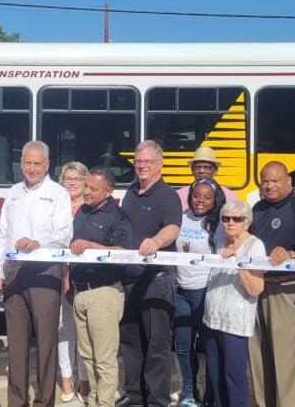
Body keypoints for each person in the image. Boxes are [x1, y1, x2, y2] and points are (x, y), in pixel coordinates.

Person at [0, 140, 72, 407]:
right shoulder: (14, 192)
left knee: (46, 343)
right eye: (28, 162)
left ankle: (44, 402)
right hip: (15, 273)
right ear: (21, 163)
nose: (32, 168)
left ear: (47, 165)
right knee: (16, 344)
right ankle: (17, 401)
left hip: (44, 272)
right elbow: (2, 235)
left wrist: (38, 241)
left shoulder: (58, 193)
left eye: (38, 163)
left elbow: (64, 234)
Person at [248, 161, 295, 407]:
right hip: (259, 289)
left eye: (275, 180)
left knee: (289, 361)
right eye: (264, 180)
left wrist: (291, 255)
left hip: (290, 292)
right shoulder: (257, 208)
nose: (269, 186)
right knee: (260, 360)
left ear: (288, 181)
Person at [117, 140, 182, 407]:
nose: (141, 166)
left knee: (156, 346)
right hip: (129, 280)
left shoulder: (168, 195)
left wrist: (156, 241)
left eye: (147, 161)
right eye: (138, 161)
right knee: (130, 342)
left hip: (156, 280)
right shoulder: (131, 192)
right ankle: (134, 395)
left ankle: (157, 400)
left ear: (159, 164)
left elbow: (173, 228)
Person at [69, 166, 131, 407]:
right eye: (86, 186)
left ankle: (104, 403)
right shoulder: (81, 212)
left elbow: (123, 252)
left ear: (109, 191)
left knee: (104, 359)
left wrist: (91, 245)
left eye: (93, 189)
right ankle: (93, 401)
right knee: (87, 357)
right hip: (79, 291)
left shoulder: (118, 216)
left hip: (104, 293)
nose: (87, 192)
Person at [202, 201, 265, 407]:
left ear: (247, 222)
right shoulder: (221, 239)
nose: (230, 223)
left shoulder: (255, 245)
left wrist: (238, 261)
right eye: (226, 218)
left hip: (235, 322)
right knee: (215, 374)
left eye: (237, 219)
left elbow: (255, 288)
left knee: (234, 376)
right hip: (212, 319)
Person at [173, 178, 225, 407]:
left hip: (205, 291)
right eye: (196, 195)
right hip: (181, 291)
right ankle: (188, 394)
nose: (200, 201)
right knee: (183, 348)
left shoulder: (219, 224)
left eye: (207, 197)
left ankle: (211, 397)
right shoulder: (181, 218)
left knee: (210, 351)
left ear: (215, 200)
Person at [58, 161, 90, 403]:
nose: (71, 182)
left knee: (83, 332)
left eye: (77, 179)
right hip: (56, 275)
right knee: (63, 331)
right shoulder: (56, 206)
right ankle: (66, 380)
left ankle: (85, 381)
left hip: (82, 276)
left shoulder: (90, 209)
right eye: (67, 178)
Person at [176, 146, 239, 212]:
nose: (201, 171)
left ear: (215, 171)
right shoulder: (180, 195)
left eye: (207, 167)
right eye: (197, 167)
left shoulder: (229, 196)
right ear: (192, 170)